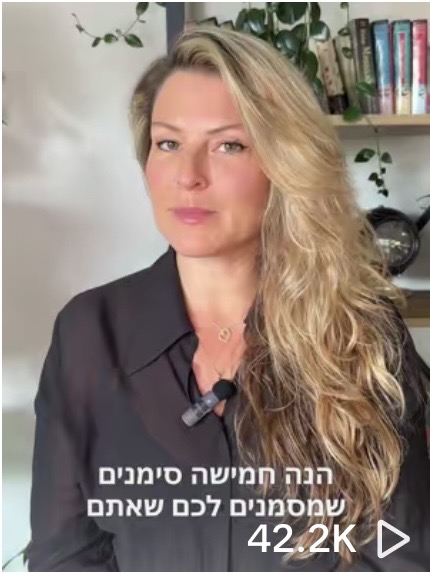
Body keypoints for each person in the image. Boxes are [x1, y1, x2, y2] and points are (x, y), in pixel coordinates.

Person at [27, 26, 430, 572]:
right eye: (168, 143)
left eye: (228, 145)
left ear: (284, 164)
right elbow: (66, 554)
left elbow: (400, 556)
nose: (188, 176)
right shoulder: (87, 332)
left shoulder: (362, 333)